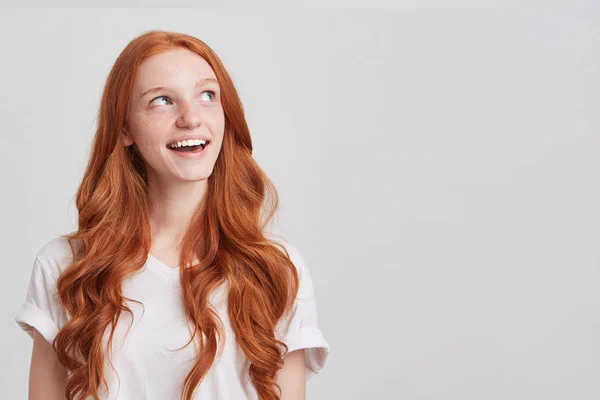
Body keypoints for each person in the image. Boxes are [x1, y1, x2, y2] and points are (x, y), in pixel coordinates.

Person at [14, 29, 330, 400]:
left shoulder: (276, 267)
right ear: (125, 127)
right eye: (163, 100)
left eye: (207, 95)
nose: (191, 118)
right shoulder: (66, 267)